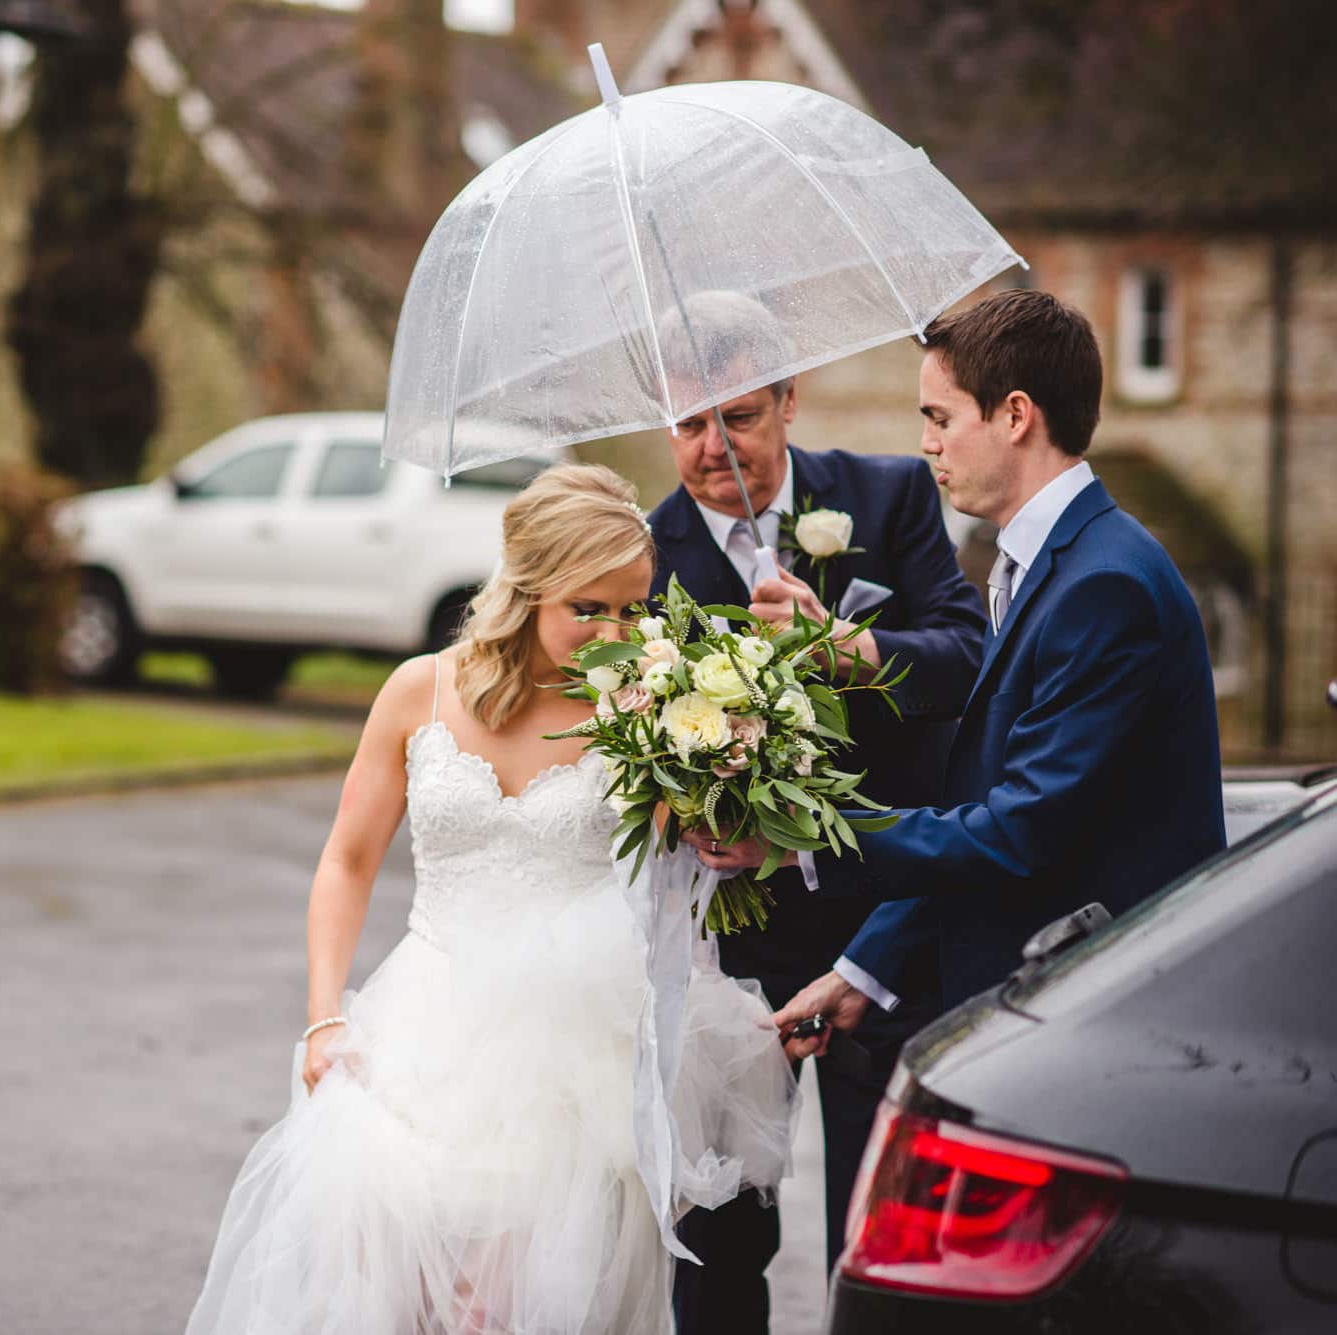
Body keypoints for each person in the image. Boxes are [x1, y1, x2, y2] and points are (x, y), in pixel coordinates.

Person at [184, 464, 796, 1335]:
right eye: (589, 607)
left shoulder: (648, 714)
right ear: (526, 589)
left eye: (633, 608)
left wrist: (734, 787)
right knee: (392, 1299)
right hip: (424, 1030)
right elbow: (348, 862)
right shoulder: (417, 690)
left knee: (498, 1311)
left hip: (575, 1057)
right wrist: (324, 1018)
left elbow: (704, 852)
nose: (615, 632)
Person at [686, 289, 1225, 1056]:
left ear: (1014, 415)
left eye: (940, 418)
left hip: (1100, 1007)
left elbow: (1017, 832)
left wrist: (797, 841)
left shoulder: (1107, 585)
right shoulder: (1046, 564)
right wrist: (861, 971)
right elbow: (986, 800)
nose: (928, 445)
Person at [643, 292, 988, 1331]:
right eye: (689, 423)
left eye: (737, 416)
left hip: (877, 922)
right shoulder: (643, 557)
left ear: (789, 401)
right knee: (719, 1231)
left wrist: (849, 647)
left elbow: (968, 660)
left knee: (869, 1223)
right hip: (729, 939)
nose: (713, 448)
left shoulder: (884, 500)